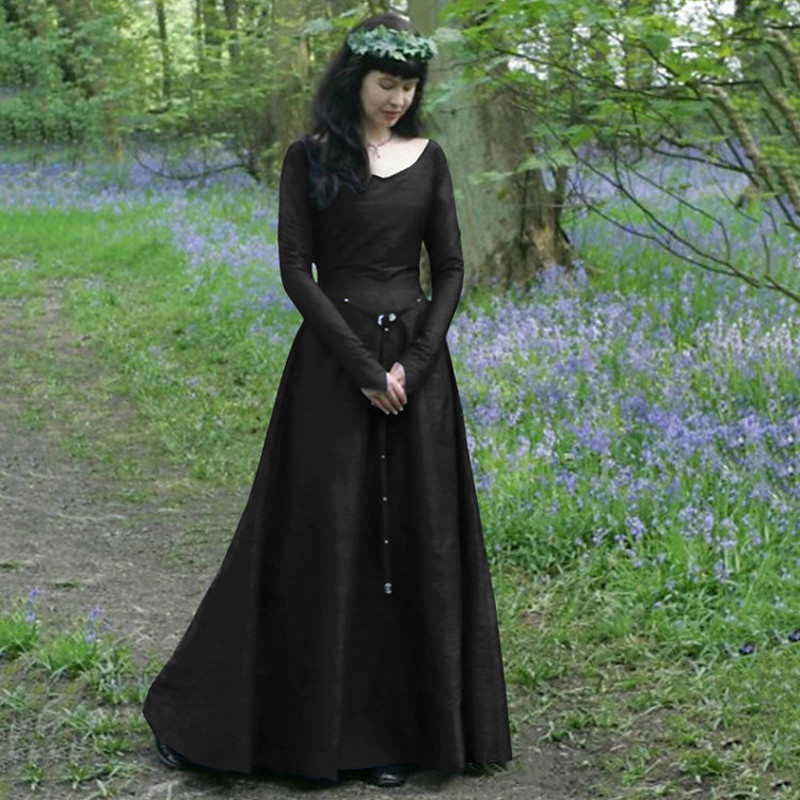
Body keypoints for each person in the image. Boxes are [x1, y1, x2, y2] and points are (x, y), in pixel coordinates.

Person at [142, 11, 512, 789]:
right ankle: (291, 729)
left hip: (418, 379)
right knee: (321, 539)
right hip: (331, 373)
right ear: (354, 80)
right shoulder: (308, 157)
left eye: (409, 87)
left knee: (414, 545)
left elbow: (450, 268)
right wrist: (363, 368)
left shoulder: (430, 159)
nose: (399, 100)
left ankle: (400, 737)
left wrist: (413, 362)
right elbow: (296, 270)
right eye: (387, 84)